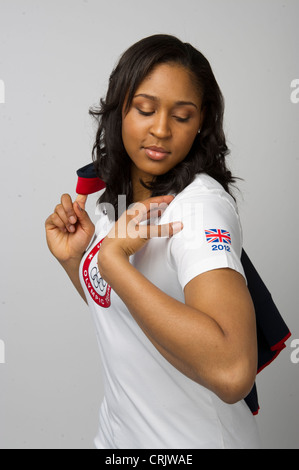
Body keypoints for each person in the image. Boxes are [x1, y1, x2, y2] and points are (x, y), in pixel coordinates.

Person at [45, 34, 262, 449]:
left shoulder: (198, 209)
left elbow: (234, 374)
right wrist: (79, 262)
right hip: (118, 440)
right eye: (145, 109)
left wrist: (112, 262)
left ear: (201, 124)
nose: (160, 130)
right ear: (118, 109)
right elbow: (129, 313)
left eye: (182, 117)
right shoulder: (120, 196)